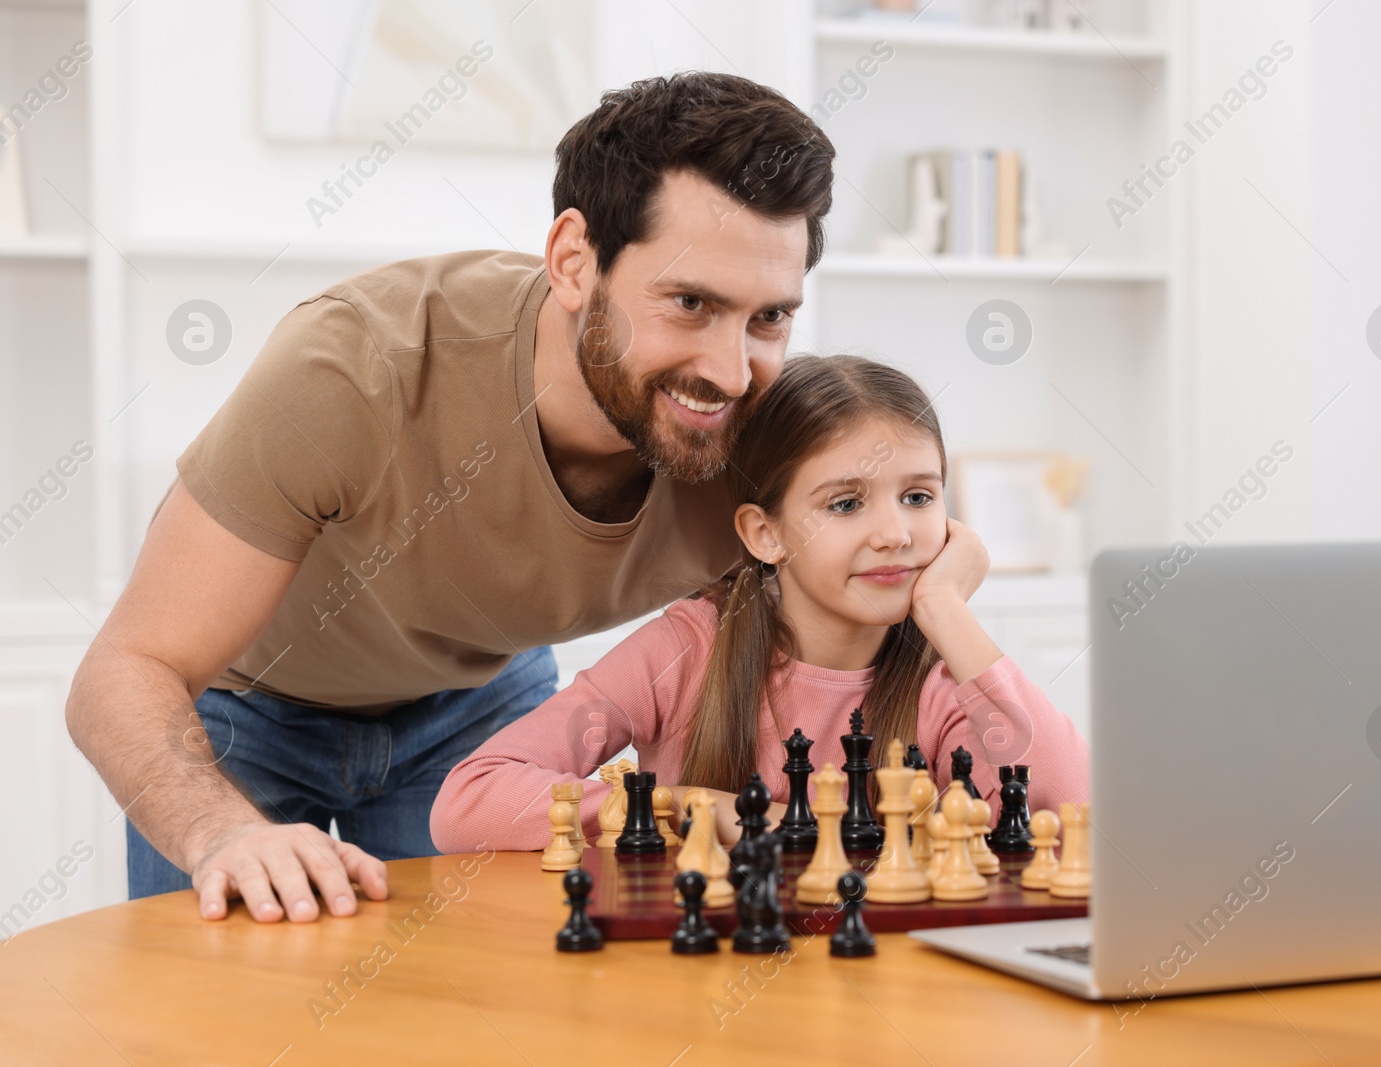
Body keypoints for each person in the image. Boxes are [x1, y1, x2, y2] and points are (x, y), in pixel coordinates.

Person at [63, 71, 835, 922]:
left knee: (464, 1006)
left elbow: (852, 615)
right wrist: (218, 834)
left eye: (769, 319)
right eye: (690, 303)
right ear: (574, 260)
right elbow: (124, 671)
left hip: (478, 707)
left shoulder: (758, 441)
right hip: (245, 712)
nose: (731, 371)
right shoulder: (354, 368)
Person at [430, 356, 1090, 851]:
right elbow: (467, 798)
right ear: (763, 533)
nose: (894, 532)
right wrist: (682, 808)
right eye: (846, 503)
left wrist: (946, 609)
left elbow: (1075, 812)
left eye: (918, 496)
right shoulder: (686, 649)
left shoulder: (942, 679)